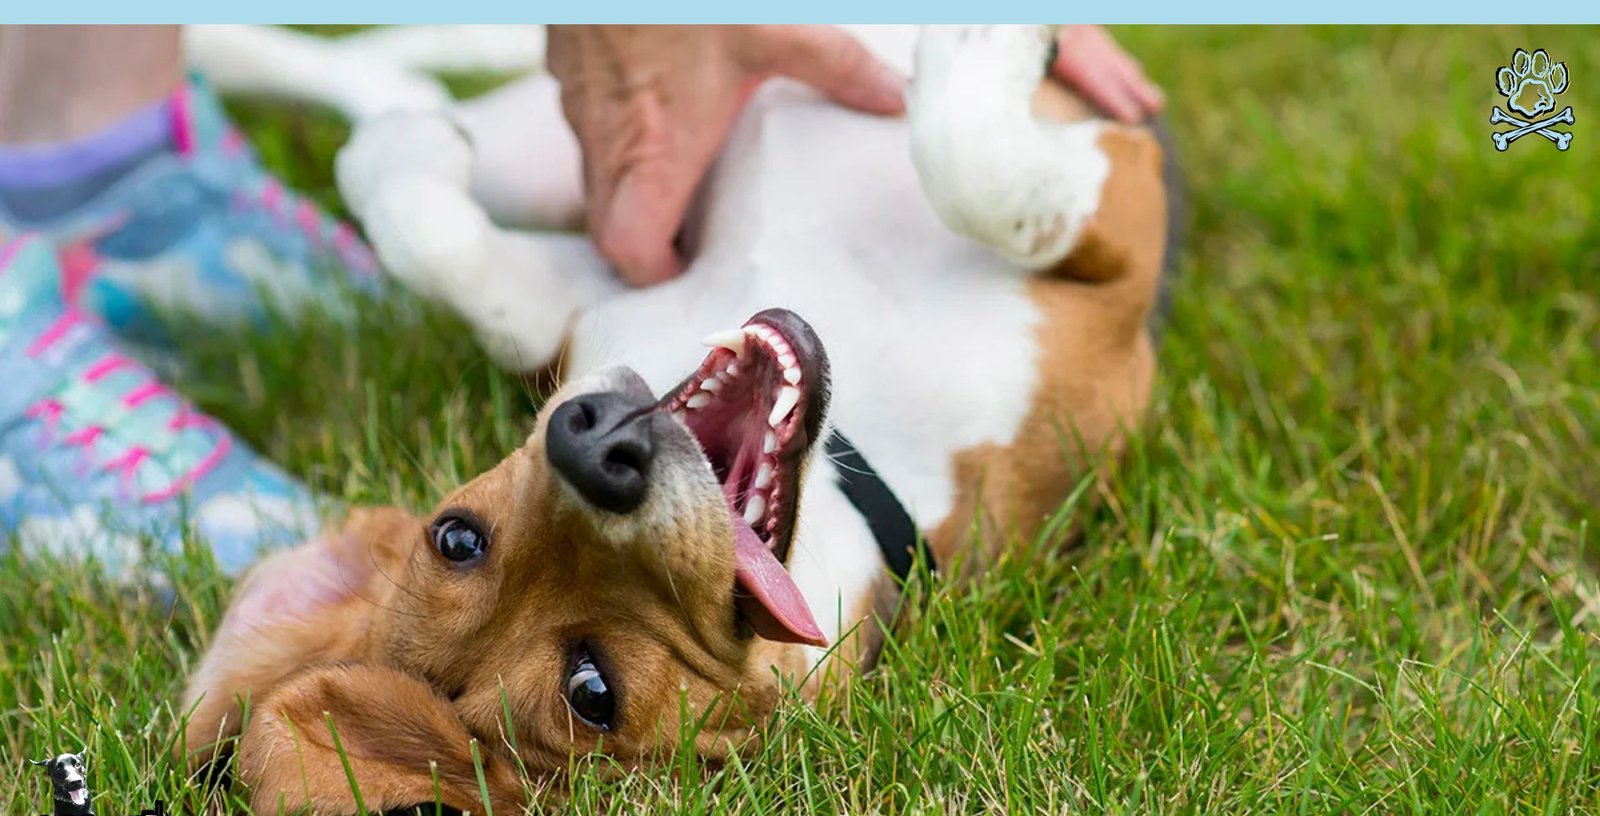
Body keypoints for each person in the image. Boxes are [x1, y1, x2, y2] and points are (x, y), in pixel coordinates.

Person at [0, 24, 1162, 579]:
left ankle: (103, 168)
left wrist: (430, 223)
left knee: (452, 192)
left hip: (724, 118)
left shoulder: (641, 411)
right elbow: (1124, 226)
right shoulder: (1008, 444)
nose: (581, 448)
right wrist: (981, 134)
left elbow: (569, 296)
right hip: (936, 113)